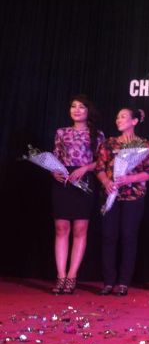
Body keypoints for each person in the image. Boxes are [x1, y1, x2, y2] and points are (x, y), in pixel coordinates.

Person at [96, 108, 149, 296]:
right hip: (111, 195)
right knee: (109, 236)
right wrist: (106, 182)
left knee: (129, 237)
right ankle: (108, 282)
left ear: (134, 121)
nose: (118, 120)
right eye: (117, 117)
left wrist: (130, 178)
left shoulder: (144, 144)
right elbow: (99, 167)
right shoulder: (109, 143)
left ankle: (123, 282)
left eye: (123, 117)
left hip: (133, 196)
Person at [51, 94, 104, 294]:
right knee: (61, 228)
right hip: (63, 180)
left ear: (88, 111)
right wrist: (54, 170)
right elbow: (55, 156)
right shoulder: (61, 132)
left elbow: (102, 161)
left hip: (84, 180)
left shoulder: (97, 134)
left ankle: (72, 276)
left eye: (81, 107)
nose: (77, 110)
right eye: (73, 106)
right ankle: (60, 276)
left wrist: (85, 168)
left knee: (80, 229)